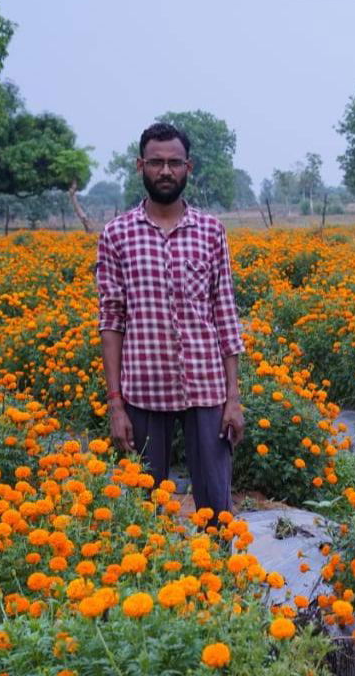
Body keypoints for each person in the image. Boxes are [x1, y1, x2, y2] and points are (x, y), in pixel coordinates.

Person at [95, 122, 245, 515]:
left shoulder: (211, 232)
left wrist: (234, 398)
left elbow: (225, 315)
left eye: (174, 163)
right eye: (156, 162)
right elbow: (111, 322)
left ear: (188, 167)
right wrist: (116, 405)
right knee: (143, 509)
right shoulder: (117, 235)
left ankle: (221, 575)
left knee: (216, 506)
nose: (165, 171)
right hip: (143, 389)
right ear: (140, 165)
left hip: (206, 388)